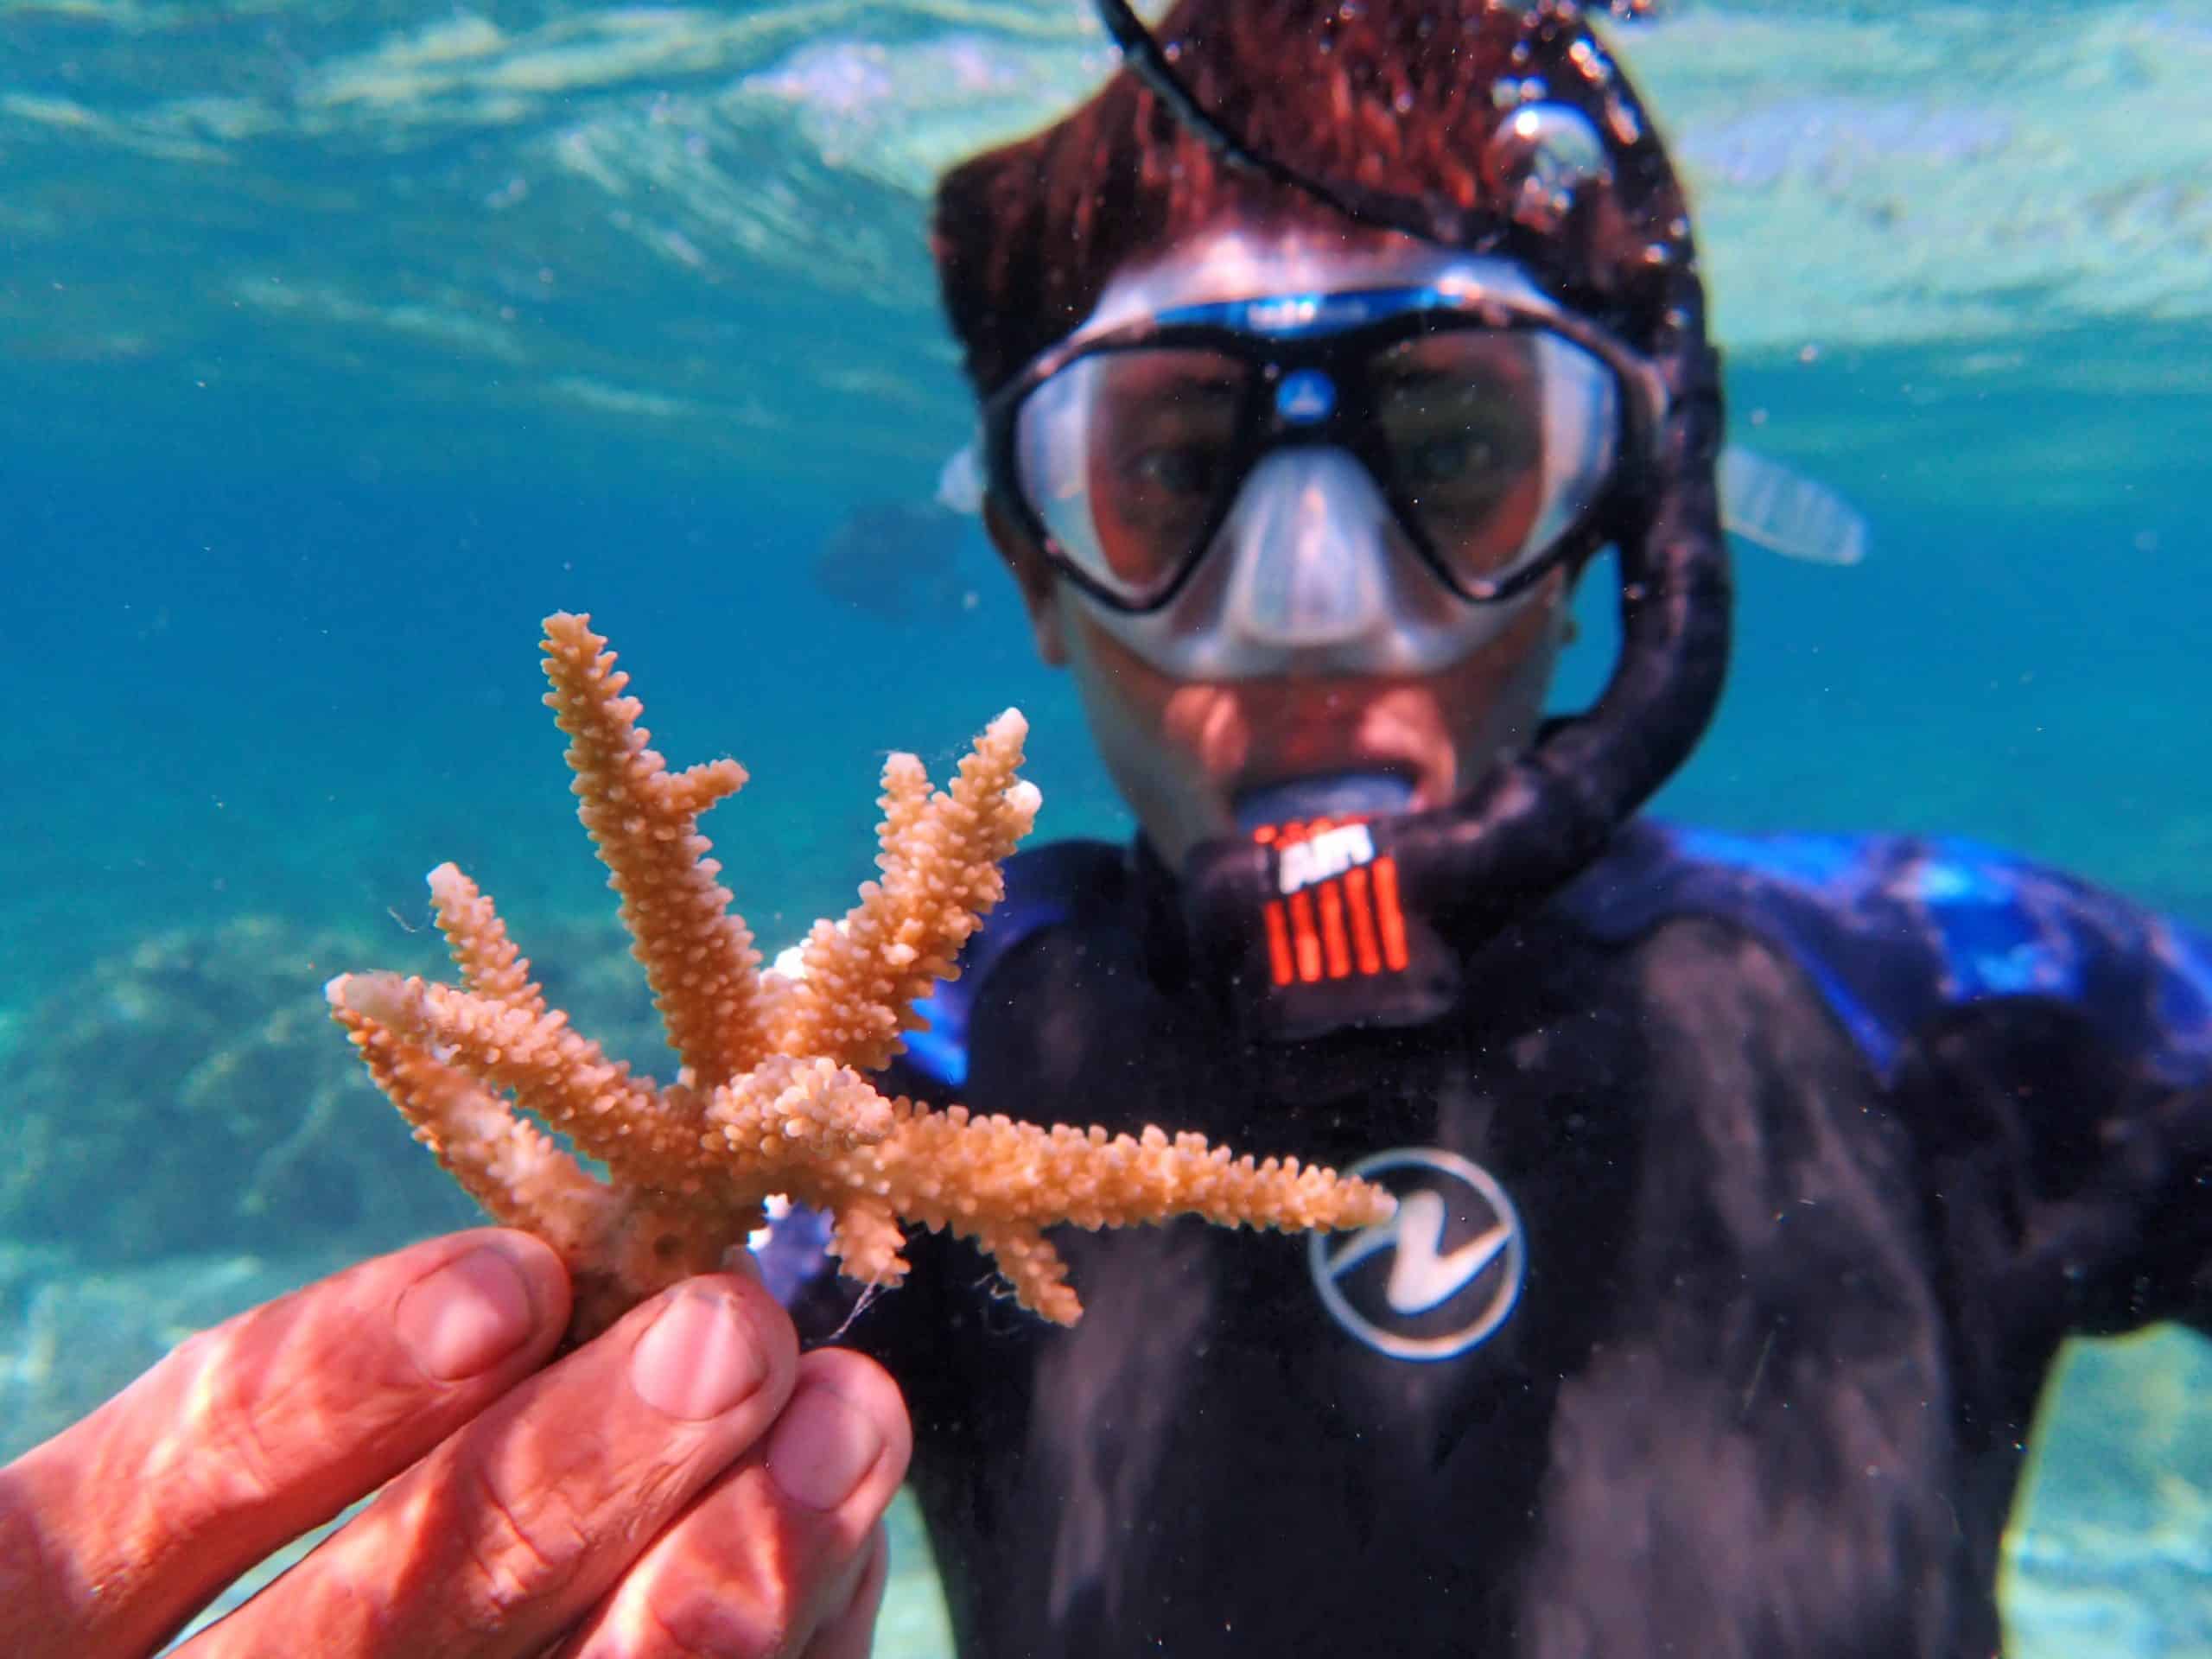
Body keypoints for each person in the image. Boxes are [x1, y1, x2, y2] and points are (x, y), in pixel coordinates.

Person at [7, 0, 2208, 1654]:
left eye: (1452, 455)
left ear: (1615, 529)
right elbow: (658, 1380)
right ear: (1040, 578)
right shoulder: (909, 1068)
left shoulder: (1967, 1004)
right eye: (1169, 476)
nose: (1310, 614)